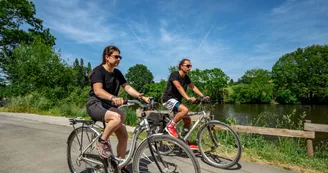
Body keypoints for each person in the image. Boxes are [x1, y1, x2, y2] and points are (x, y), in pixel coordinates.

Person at [86, 45, 150, 171]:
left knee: (124, 136)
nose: (119, 59)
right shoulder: (98, 71)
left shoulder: (117, 73)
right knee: (118, 116)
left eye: (120, 57)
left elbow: (127, 87)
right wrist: (113, 98)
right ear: (107, 57)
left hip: (107, 106)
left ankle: (121, 166)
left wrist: (140, 96)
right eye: (116, 56)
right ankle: (101, 141)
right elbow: (98, 91)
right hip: (95, 104)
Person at [162, 58, 209, 150]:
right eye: (187, 66)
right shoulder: (174, 74)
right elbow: (179, 87)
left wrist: (203, 96)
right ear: (181, 66)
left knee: (187, 120)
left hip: (177, 101)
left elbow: (193, 87)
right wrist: (188, 98)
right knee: (185, 110)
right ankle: (170, 126)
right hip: (168, 99)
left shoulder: (186, 78)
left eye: (190, 66)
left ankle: (184, 140)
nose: (189, 68)